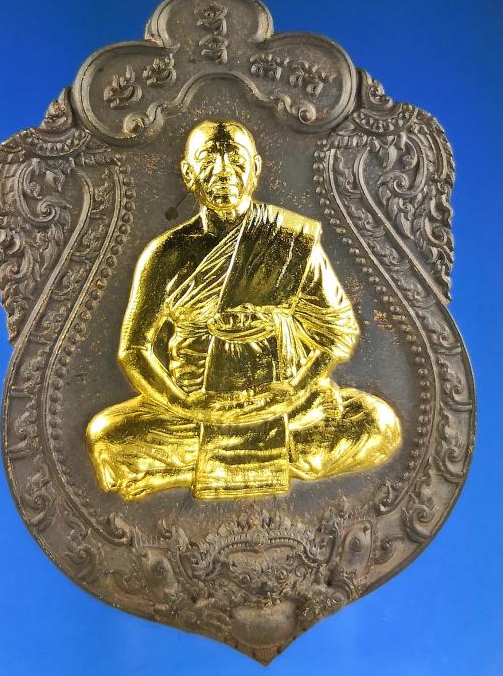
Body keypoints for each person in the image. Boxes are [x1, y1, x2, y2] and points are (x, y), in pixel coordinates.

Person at [86, 120, 401, 500]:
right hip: (197, 408)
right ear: (188, 173)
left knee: (378, 424)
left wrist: (295, 387)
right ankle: (268, 464)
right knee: (106, 436)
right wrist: (184, 404)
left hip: (284, 404)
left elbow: (338, 333)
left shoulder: (291, 238)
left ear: (255, 168)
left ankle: (183, 473)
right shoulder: (166, 253)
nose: (223, 172)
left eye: (235, 160)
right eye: (208, 160)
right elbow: (133, 350)